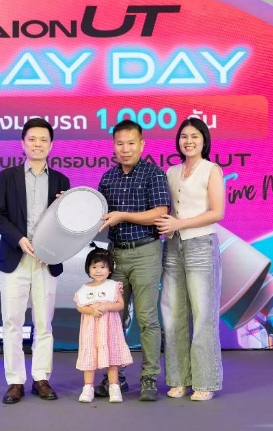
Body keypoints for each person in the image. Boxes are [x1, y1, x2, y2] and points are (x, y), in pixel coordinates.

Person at [0, 117, 70, 404]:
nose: (38, 144)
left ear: (51, 145)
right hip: (15, 257)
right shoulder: (7, 176)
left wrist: (67, 208)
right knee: (12, 322)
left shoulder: (61, 180)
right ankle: (15, 381)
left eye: (43, 140)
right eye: (32, 139)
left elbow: (67, 223)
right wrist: (19, 239)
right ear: (23, 143)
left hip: (47, 261)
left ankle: (41, 378)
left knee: (44, 322)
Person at [97, 119, 171, 401]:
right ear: (113, 146)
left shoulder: (154, 174)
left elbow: (160, 213)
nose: (125, 149)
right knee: (113, 318)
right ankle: (115, 378)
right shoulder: (108, 178)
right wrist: (71, 202)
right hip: (115, 255)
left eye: (131, 143)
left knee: (147, 318)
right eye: (120, 143)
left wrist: (124, 216)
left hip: (145, 252)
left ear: (142, 144)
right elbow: (98, 214)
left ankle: (149, 377)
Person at [154, 116, 225, 401]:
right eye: (184, 136)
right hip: (172, 246)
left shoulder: (212, 170)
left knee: (203, 314)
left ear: (204, 140)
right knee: (172, 315)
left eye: (195, 136)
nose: (189, 141)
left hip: (200, 244)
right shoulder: (171, 171)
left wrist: (179, 224)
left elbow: (217, 212)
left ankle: (205, 381)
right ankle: (178, 378)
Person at [74, 245, 133, 403]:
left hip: (109, 330)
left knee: (111, 360)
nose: (98, 271)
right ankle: (88, 388)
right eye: (94, 267)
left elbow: (120, 304)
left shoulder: (113, 286)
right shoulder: (84, 288)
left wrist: (107, 306)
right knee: (89, 359)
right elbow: (80, 307)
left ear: (110, 269)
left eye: (102, 267)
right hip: (90, 331)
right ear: (88, 269)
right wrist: (91, 310)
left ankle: (114, 388)